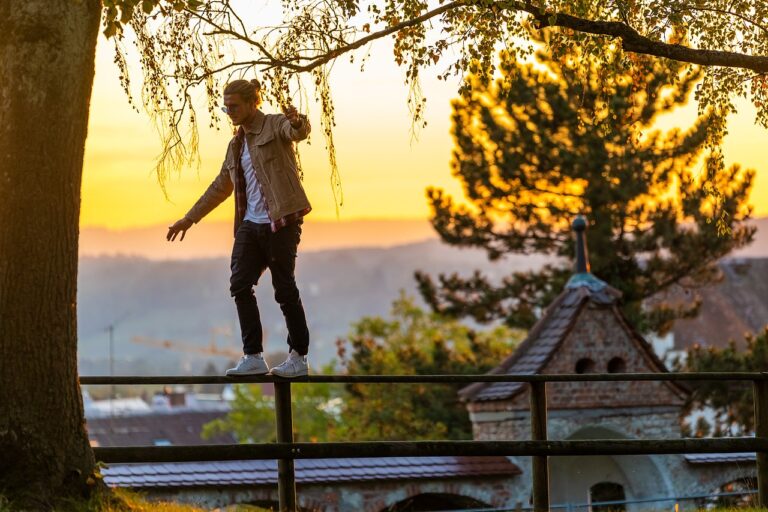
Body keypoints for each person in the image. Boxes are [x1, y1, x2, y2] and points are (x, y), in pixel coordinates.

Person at [166, 78, 311, 378]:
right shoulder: (236, 145)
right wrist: (189, 218)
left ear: (252, 102)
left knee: (284, 288)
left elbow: (296, 131)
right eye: (225, 106)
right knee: (239, 285)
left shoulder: (274, 125)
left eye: (234, 106)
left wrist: (297, 121)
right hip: (250, 225)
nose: (229, 111)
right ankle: (253, 356)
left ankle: (298, 357)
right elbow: (221, 186)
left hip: (281, 221)